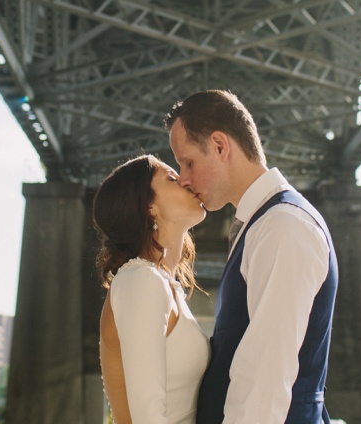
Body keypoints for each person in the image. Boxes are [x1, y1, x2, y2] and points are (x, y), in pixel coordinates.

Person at [165, 90, 338, 424]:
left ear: (219, 145)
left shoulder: (282, 226)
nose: (183, 179)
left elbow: (265, 379)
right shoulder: (266, 224)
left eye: (187, 162)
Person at [93, 154, 211, 424]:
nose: (185, 180)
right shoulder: (141, 281)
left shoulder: (163, 284)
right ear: (149, 207)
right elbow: (149, 416)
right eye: (172, 178)